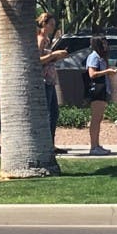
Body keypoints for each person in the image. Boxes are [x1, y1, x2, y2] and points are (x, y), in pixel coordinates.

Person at [37, 13, 68, 153]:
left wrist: (57, 57)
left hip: (50, 79)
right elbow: (38, 60)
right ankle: (47, 144)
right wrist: (54, 55)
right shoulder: (40, 40)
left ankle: (51, 143)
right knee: (49, 113)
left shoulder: (48, 40)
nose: (53, 27)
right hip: (44, 80)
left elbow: (47, 60)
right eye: (51, 24)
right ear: (44, 23)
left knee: (54, 112)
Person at [86, 36, 117, 155]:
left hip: (103, 89)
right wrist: (107, 72)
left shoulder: (101, 57)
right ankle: (93, 146)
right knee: (95, 119)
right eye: (103, 44)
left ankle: (97, 145)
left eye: (106, 44)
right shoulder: (94, 56)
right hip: (97, 90)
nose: (105, 46)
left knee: (99, 118)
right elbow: (92, 74)